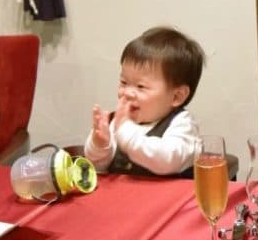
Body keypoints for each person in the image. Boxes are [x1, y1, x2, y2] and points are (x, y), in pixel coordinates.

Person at [84, 27, 204, 176]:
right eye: (124, 82)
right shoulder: (118, 122)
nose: (127, 93)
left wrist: (127, 133)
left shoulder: (182, 124)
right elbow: (97, 167)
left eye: (141, 86)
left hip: (168, 192)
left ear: (176, 97)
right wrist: (100, 145)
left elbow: (168, 160)